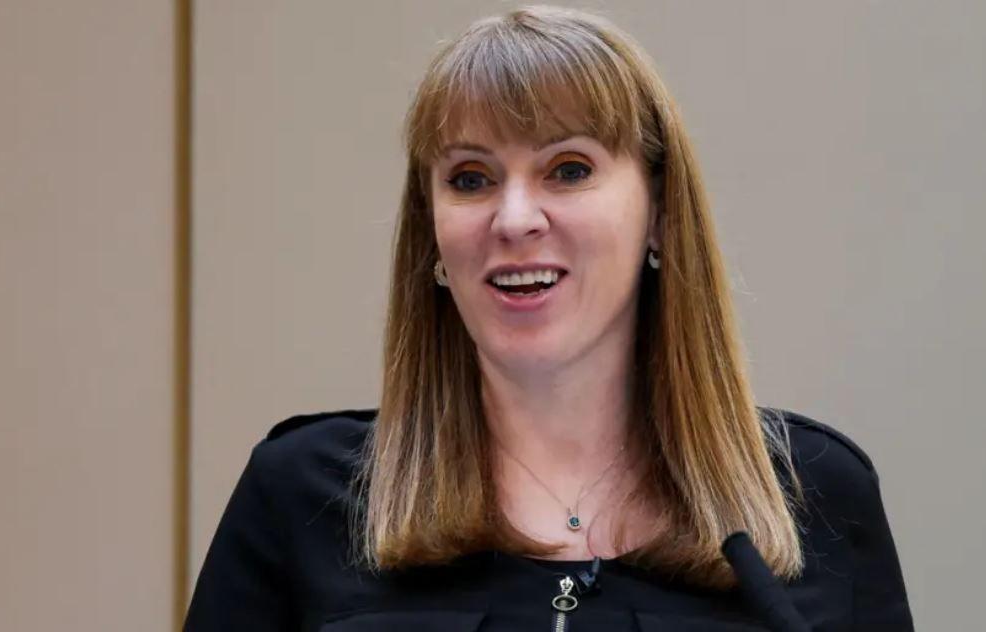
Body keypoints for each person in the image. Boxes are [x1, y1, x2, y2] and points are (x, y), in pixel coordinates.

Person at [184, 5, 914, 631]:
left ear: (659, 212)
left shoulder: (816, 495)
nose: (514, 218)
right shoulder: (299, 497)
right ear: (431, 232)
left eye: (568, 169)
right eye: (471, 179)